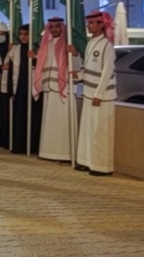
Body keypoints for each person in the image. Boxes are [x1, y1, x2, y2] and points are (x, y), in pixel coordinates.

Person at [73, 10, 117, 176]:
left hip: (102, 98)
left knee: (100, 132)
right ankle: (86, 161)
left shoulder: (107, 45)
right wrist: (78, 75)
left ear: (101, 25)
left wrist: (99, 94)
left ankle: (102, 167)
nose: (89, 26)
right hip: (88, 94)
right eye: (88, 23)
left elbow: (107, 72)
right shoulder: (91, 43)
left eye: (92, 23)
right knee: (87, 130)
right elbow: (88, 67)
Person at [32, 17, 76, 163]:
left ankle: (64, 155)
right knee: (49, 122)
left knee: (62, 124)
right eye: (52, 27)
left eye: (58, 26)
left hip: (62, 91)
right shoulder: (47, 45)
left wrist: (74, 54)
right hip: (50, 90)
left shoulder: (68, 45)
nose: (55, 29)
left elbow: (77, 64)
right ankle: (47, 152)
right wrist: (35, 57)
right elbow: (43, 62)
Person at [8, 24, 43, 154]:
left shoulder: (37, 49)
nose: (23, 37)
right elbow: (11, 71)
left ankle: (33, 146)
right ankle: (20, 146)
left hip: (33, 88)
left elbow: (42, 67)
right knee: (20, 117)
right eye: (21, 34)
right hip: (20, 87)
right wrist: (11, 91)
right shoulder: (14, 50)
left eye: (26, 34)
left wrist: (34, 58)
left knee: (33, 117)